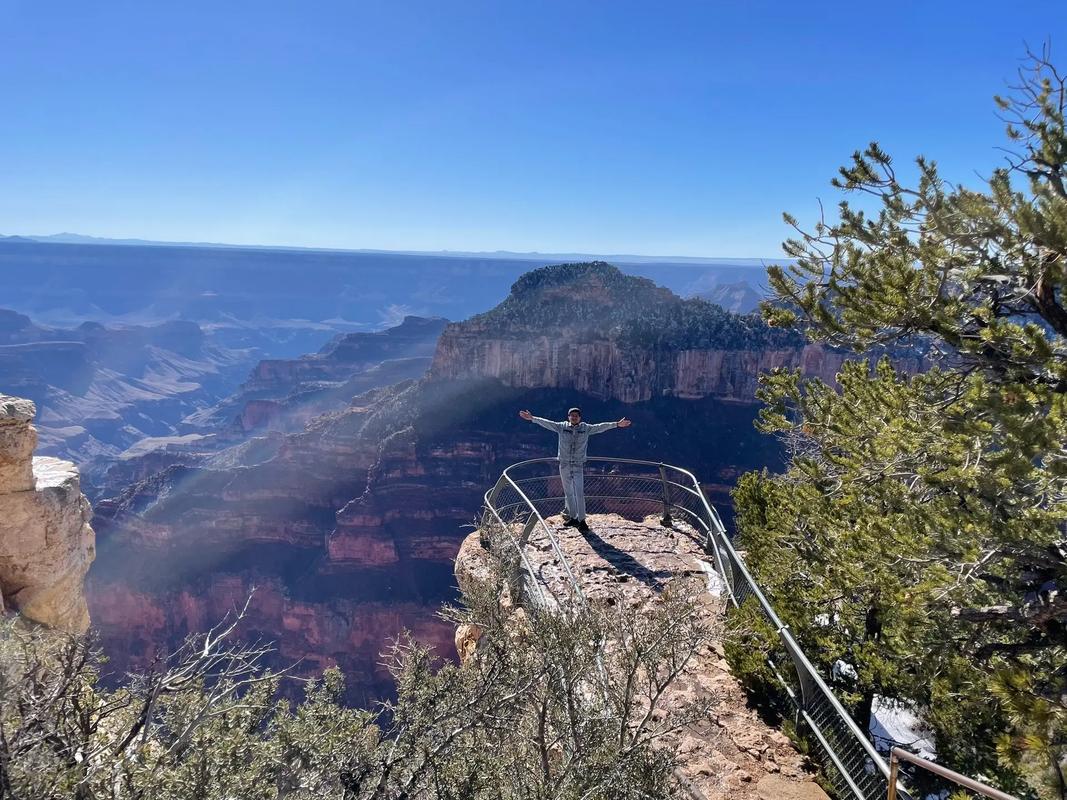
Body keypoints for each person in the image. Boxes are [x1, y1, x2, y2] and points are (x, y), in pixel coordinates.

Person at [518, 407, 632, 533]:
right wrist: (533, 418)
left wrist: (616, 424)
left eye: (576, 415)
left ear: (580, 417)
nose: (574, 417)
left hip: (577, 465)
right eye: (571, 415)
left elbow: (600, 427)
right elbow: (548, 423)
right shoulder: (561, 427)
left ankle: (582, 520)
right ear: (568, 417)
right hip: (564, 464)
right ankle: (573, 518)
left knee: (579, 493)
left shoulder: (586, 428)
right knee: (568, 493)